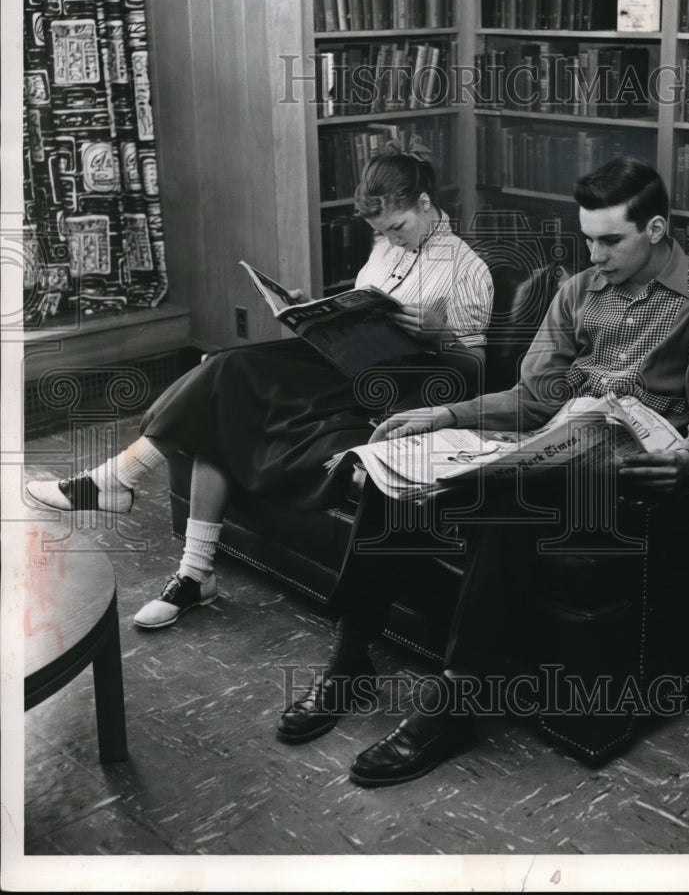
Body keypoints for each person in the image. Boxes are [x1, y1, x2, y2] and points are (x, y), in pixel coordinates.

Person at [277, 156, 689, 787]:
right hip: (554, 438)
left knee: (509, 490)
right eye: (587, 238)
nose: (595, 254)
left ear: (657, 229)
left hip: (625, 462)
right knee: (399, 463)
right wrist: (441, 413)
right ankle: (351, 656)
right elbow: (531, 397)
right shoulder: (579, 291)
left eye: (611, 240)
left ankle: (455, 703)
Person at [26, 140, 494, 629]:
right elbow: (367, 308)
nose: (391, 240)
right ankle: (188, 564)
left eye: (396, 228)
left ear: (424, 204)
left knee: (229, 383)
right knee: (229, 375)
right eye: (381, 232)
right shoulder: (383, 247)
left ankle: (134, 504)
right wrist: (313, 311)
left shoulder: (467, 270)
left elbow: (474, 373)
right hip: (345, 368)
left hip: (401, 390)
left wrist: (441, 336)